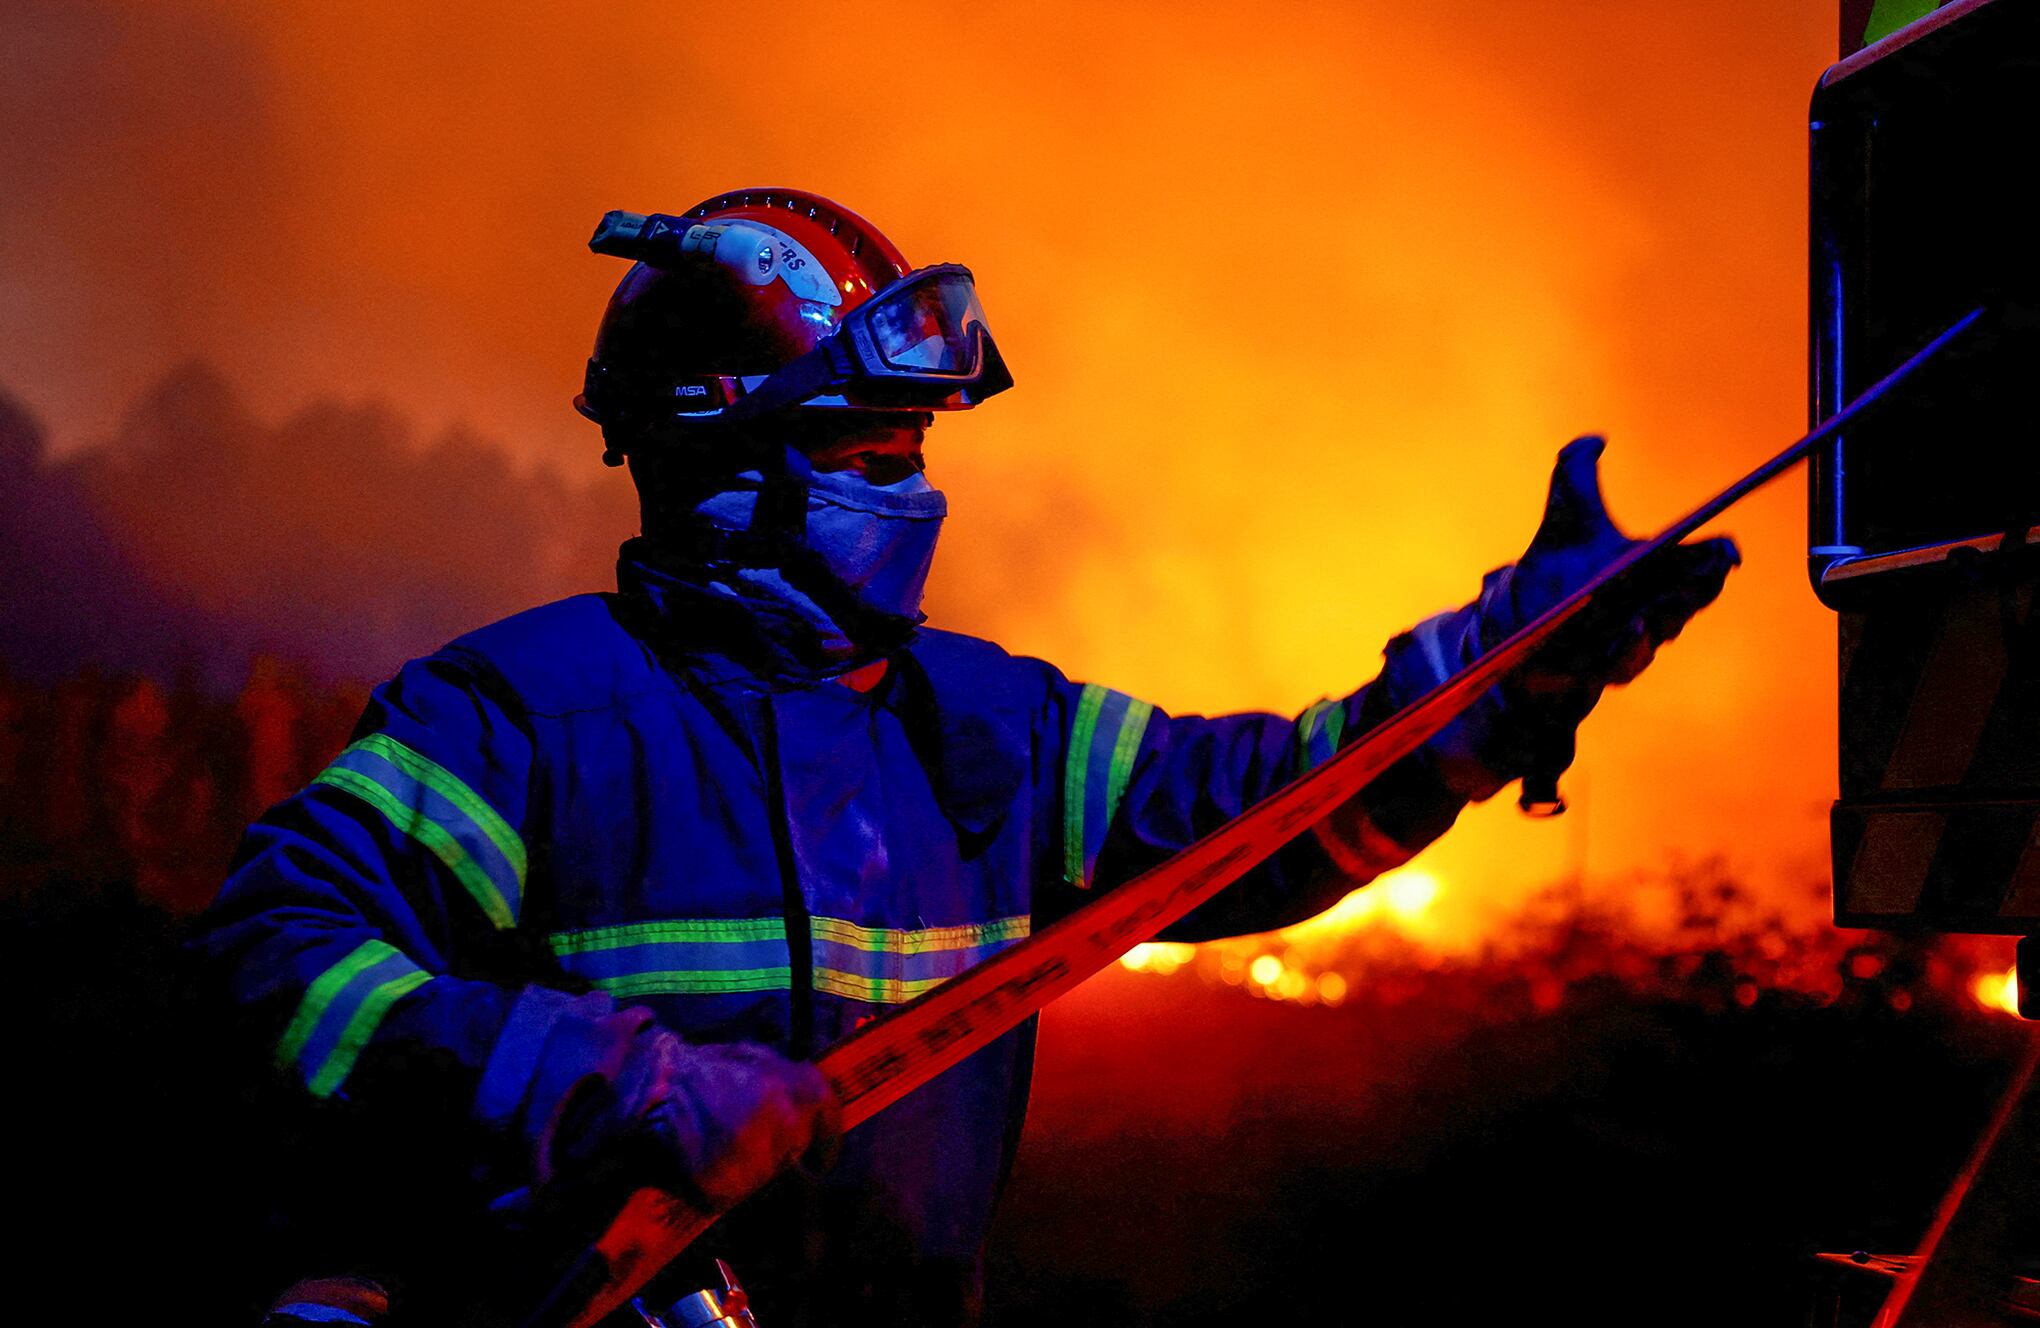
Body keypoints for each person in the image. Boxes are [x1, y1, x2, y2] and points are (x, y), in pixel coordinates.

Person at [192, 188, 1738, 1326]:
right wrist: (618, 1083)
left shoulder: (979, 725)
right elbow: (274, 965)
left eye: (918, 451)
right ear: (718, 460)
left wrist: (1500, 677)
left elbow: (1255, 818)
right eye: (875, 452)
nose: (913, 492)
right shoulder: (520, 718)